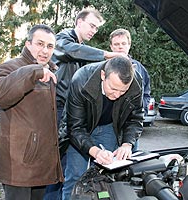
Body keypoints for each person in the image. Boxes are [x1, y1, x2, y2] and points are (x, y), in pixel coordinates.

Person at [0, 24, 64, 200]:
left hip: (40, 163)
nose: (45, 50)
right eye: (40, 43)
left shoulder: (51, 70)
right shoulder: (11, 67)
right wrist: (33, 71)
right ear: (28, 44)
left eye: (50, 46)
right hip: (19, 165)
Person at [62, 56, 144, 199]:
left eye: (123, 91)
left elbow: (135, 118)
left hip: (108, 127)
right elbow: (75, 128)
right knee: (75, 177)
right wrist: (95, 152)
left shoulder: (135, 84)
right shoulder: (81, 80)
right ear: (103, 75)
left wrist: (127, 144)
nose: (117, 95)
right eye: (113, 88)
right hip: (82, 129)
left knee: (106, 176)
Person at [52, 7, 125, 126]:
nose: (94, 31)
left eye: (96, 28)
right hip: (56, 104)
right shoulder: (62, 38)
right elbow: (70, 50)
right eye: (92, 26)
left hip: (70, 105)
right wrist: (107, 55)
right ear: (80, 22)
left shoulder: (83, 49)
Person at [109, 28, 151, 115]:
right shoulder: (104, 67)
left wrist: (141, 111)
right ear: (111, 47)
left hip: (132, 118)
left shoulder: (140, 69)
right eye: (116, 44)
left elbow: (146, 93)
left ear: (129, 45)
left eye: (123, 43)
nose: (120, 47)